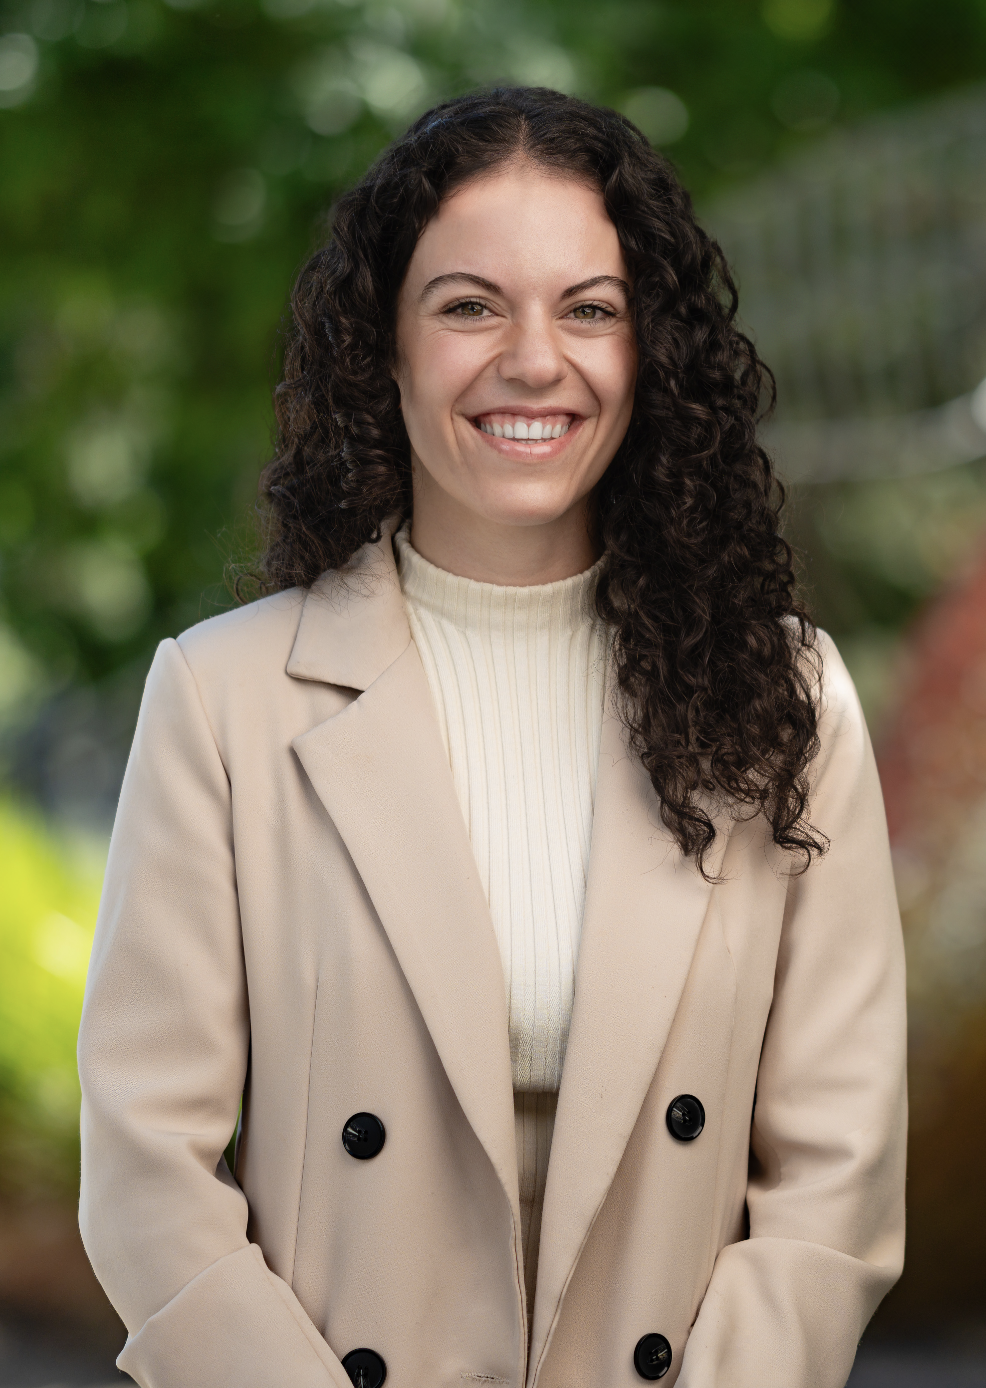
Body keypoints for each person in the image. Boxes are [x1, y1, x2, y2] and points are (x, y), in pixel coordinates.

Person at [77, 88, 907, 1388]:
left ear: (651, 354)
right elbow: (143, 1166)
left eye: (589, 308)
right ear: (384, 347)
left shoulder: (782, 699)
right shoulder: (223, 698)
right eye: (469, 305)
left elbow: (834, 1178)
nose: (533, 359)